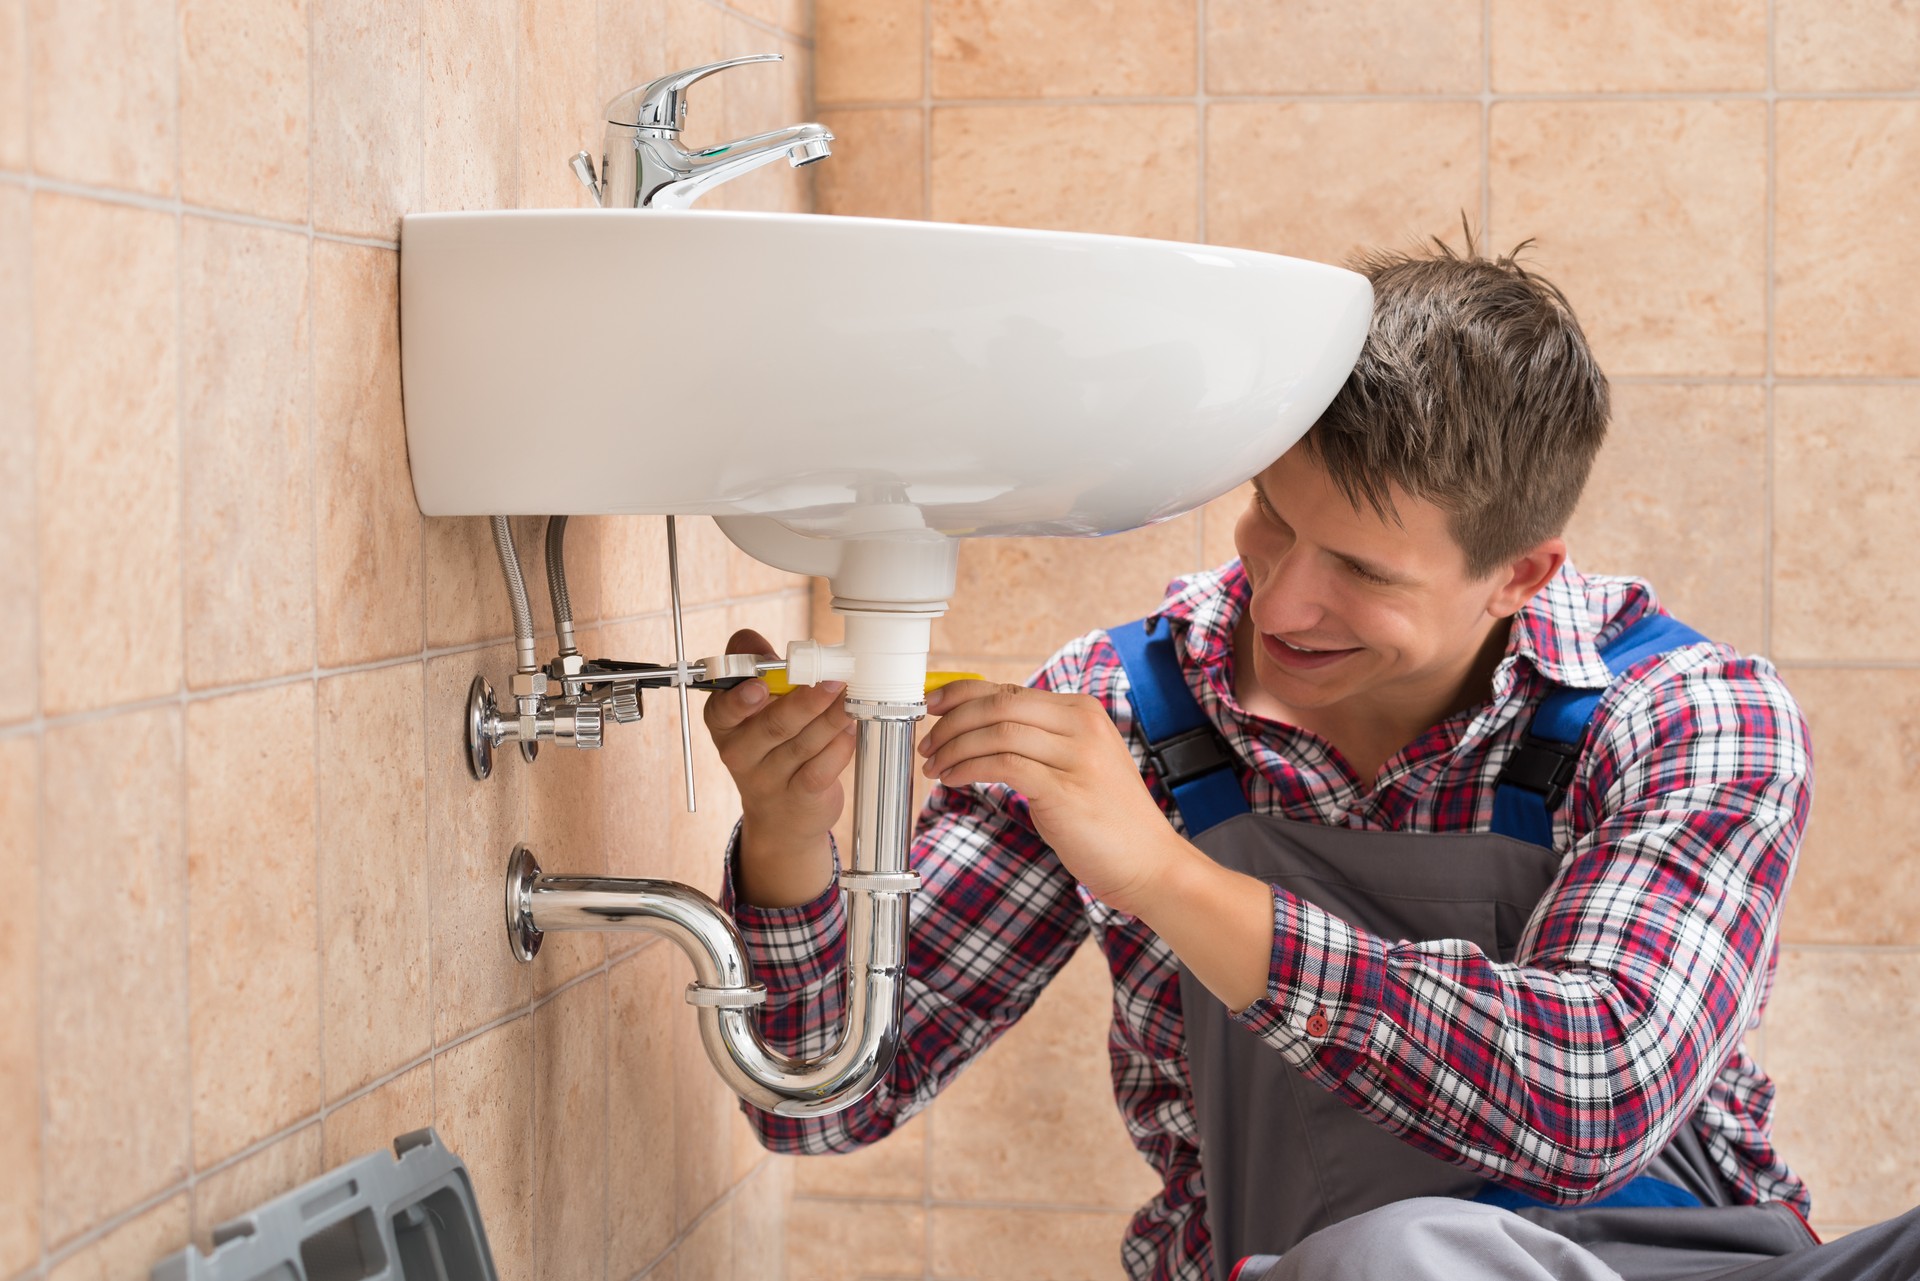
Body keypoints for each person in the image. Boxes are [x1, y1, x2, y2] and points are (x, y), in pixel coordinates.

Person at [702, 239, 1920, 1280]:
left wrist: (1165, 878)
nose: (1281, 604)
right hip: (1330, 1269)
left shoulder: (1686, 714)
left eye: (1365, 572)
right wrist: (792, 836)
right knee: (1396, 1261)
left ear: (1520, 575)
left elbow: (1588, 1094)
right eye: (1272, 520)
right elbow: (826, 1097)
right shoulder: (1129, 714)